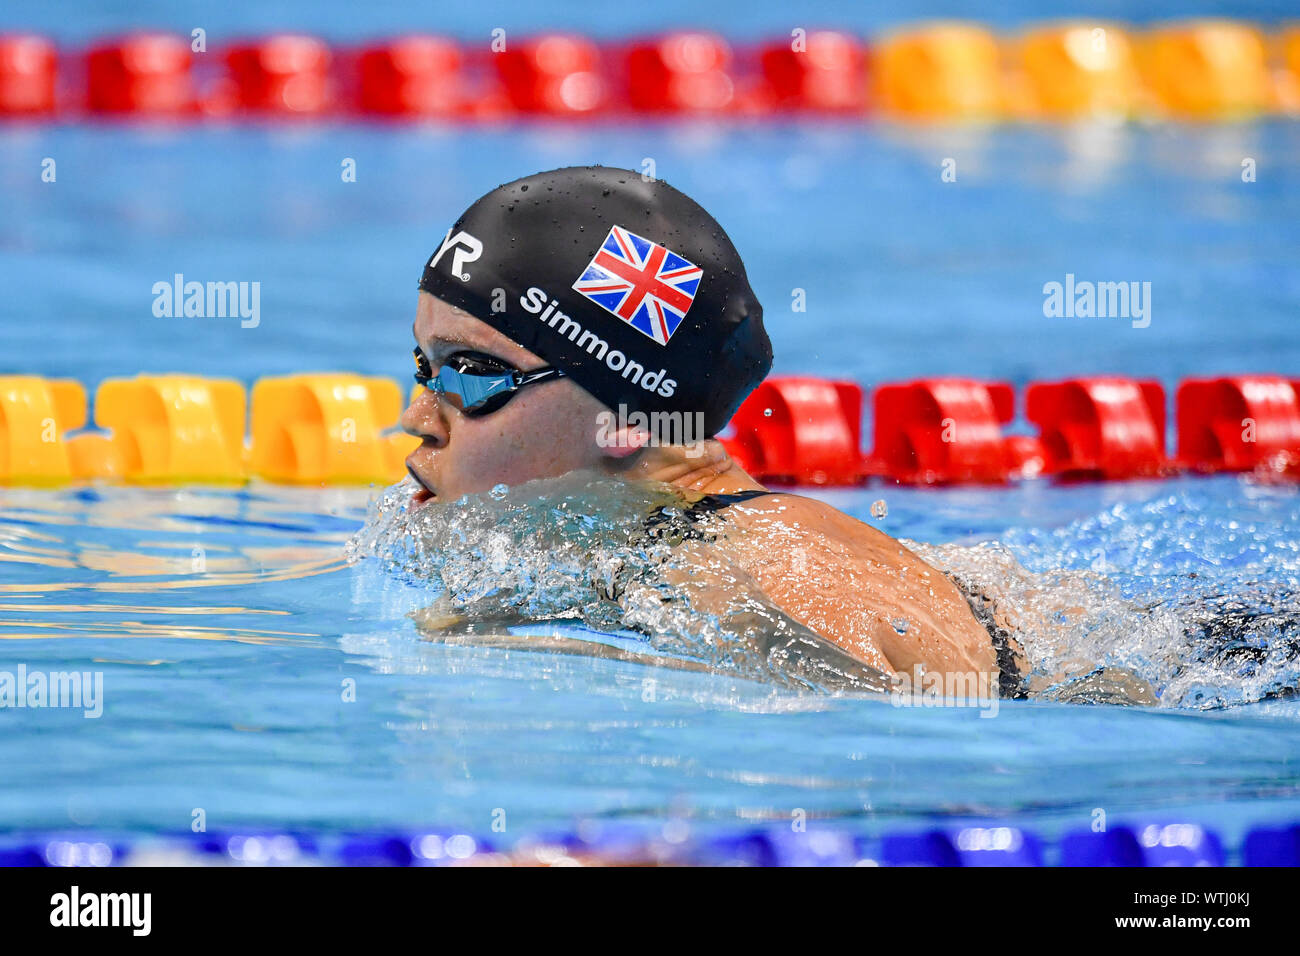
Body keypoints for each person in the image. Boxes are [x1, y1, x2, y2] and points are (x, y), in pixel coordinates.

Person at [401, 165, 1021, 698]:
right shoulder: (675, 549)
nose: (418, 418)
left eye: (473, 375)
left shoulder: (751, 573)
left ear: (623, 417)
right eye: (424, 366)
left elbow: (910, 750)